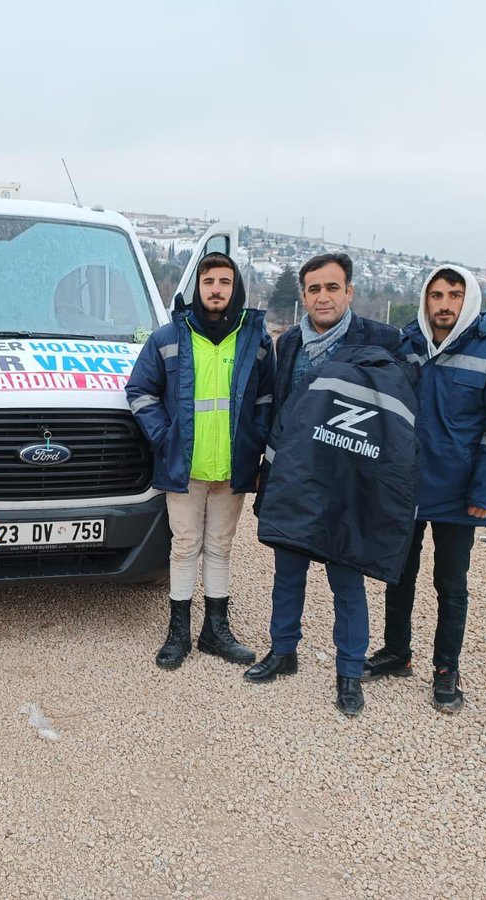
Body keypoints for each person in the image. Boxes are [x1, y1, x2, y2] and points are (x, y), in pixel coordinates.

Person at [244, 252, 403, 716]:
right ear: (303, 295)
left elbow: (396, 415)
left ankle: (350, 673)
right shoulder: (289, 341)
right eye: (314, 289)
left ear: (349, 292)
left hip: (348, 485)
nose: (323, 296)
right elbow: (277, 410)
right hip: (296, 479)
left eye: (333, 287)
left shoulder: (382, 340)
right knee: (287, 574)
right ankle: (283, 650)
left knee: (346, 582)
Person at [364, 265, 486, 713]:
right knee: (398, 574)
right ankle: (397, 652)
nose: (444, 304)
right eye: (436, 295)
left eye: (454, 295)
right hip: (408, 486)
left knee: (451, 584)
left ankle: (446, 669)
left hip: (460, 492)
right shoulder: (407, 343)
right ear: (425, 299)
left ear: (469, 299)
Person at [126, 252, 275, 670]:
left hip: (232, 466)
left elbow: (267, 400)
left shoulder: (254, 339)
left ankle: (216, 630)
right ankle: (179, 633)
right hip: (184, 464)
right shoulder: (169, 336)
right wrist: (163, 437)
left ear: (235, 288)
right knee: (185, 546)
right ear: (198, 287)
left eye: (224, 282)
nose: (216, 290)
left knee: (221, 547)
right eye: (209, 282)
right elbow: (140, 391)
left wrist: (255, 442)